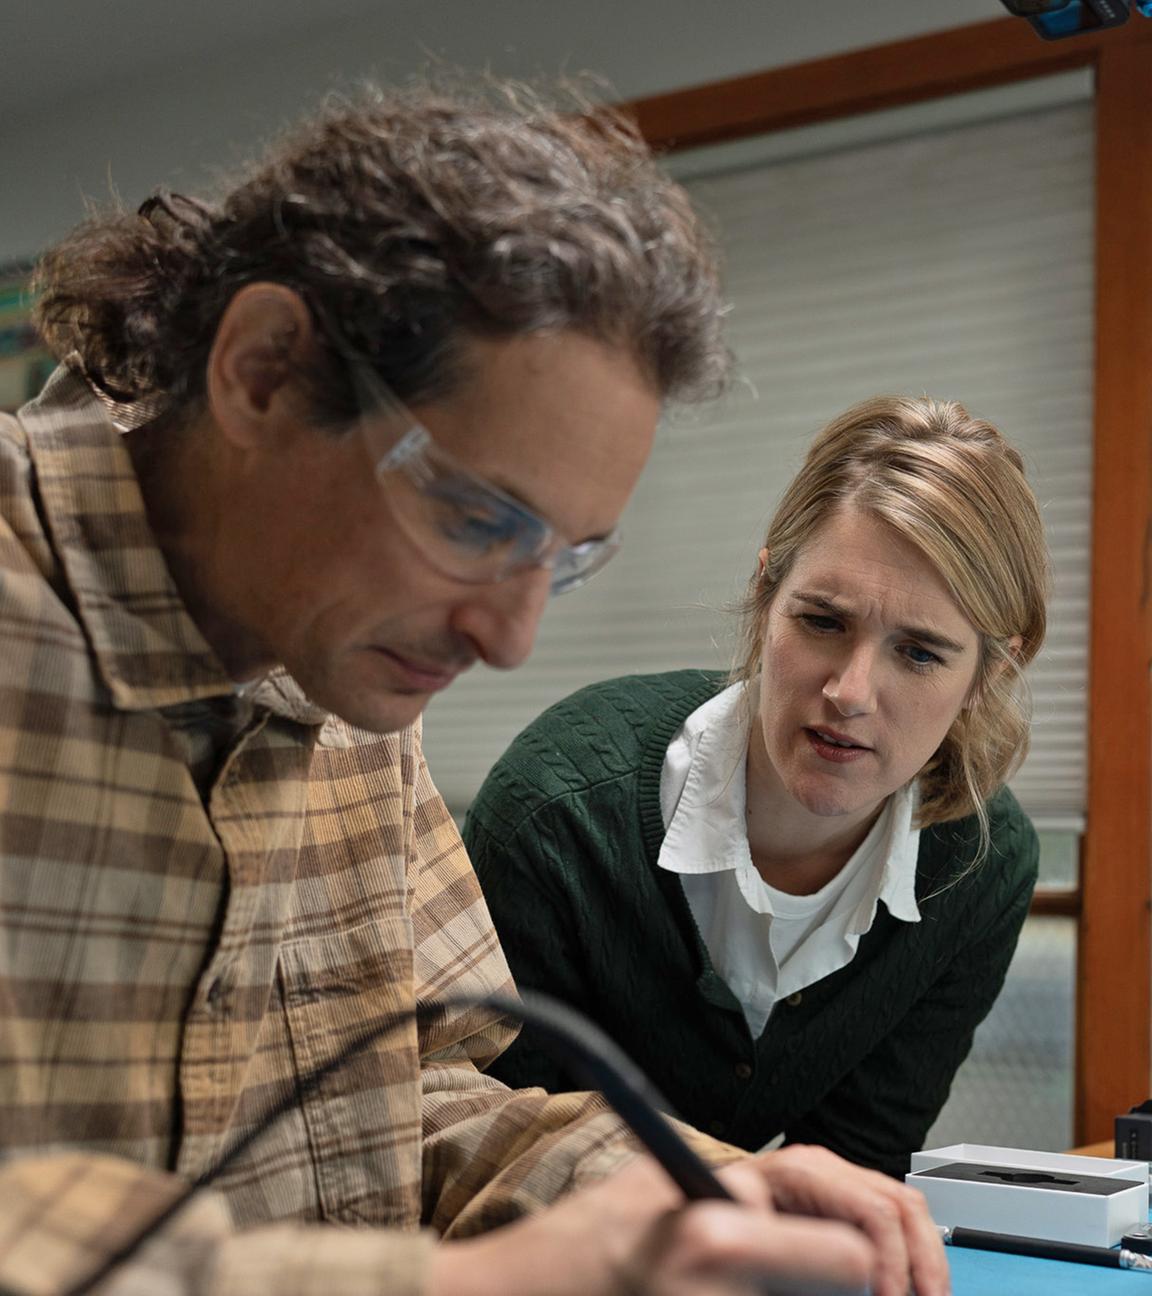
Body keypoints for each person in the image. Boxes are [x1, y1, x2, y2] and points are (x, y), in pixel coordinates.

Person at [0, 83, 949, 1296]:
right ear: (265, 371)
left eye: (562, 556)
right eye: (473, 516)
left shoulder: (346, 672)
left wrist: (673, 1194)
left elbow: (414, 1104)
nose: (510, 637)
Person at [467, 395, 1047, 1180]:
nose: (850, 690)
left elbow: (853, 1170)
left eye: (918, 654)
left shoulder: (981, 863)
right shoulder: (558, 814)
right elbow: (488, 1149)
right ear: (767, 586)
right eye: (822, 622)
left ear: (992, 671)